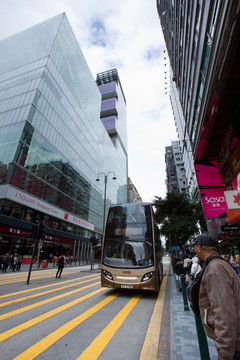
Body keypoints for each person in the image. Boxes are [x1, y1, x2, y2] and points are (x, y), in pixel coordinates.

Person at [192, 234, 240, 359]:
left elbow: (224, 313)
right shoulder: (219, 265)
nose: (194, 251)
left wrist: (224, 353)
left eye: (195, 247)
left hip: (234, 346)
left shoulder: (215, 270)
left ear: (199, 247)